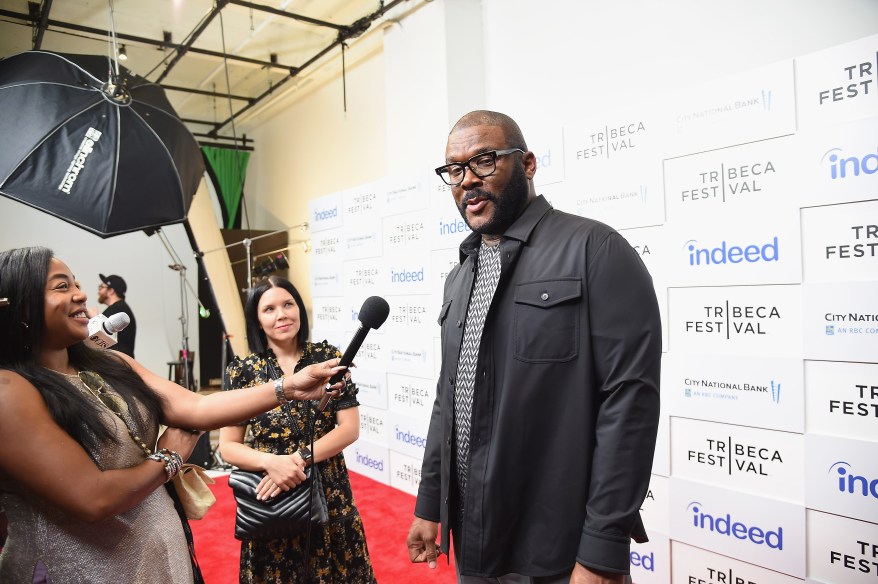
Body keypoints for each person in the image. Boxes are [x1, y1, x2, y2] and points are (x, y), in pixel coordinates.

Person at [406, 111, 662, 584]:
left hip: (560, 553)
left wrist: (602, 552)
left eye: (484, 161)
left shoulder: (596, 250)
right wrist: (430, 502)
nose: (468, 181)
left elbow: (630, 405)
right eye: (454, 170)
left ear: (526, 164)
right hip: (474, 543)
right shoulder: (461, 275)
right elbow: (450, 397)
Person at [0, 246, 348, 584]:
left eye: (76, 283)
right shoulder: (9, 390)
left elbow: (196, 408)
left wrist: (289, 387)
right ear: (19, 306)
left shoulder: (110, 363)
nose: (80, 294)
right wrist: (169, 457)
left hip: (158, 559)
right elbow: (94, 498)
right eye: (62, 286)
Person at [219, 276, 377, 584]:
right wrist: (272, 463)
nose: (281, 315)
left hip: (330, 492)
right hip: (273, 498)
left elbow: (349, 429)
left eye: (288, 304)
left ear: (300, 310)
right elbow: (228, 447)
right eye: (269, 309)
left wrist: (299, 459)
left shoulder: (327, 357)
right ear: (256, 319)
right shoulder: (242, 371)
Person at [86, 273, 137, 357]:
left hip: (118, 365)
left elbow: (105, 339)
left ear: (110, 291)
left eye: (101, 287)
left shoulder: (117, 309)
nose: (99, 291)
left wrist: (95, 318)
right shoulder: (120, 308)